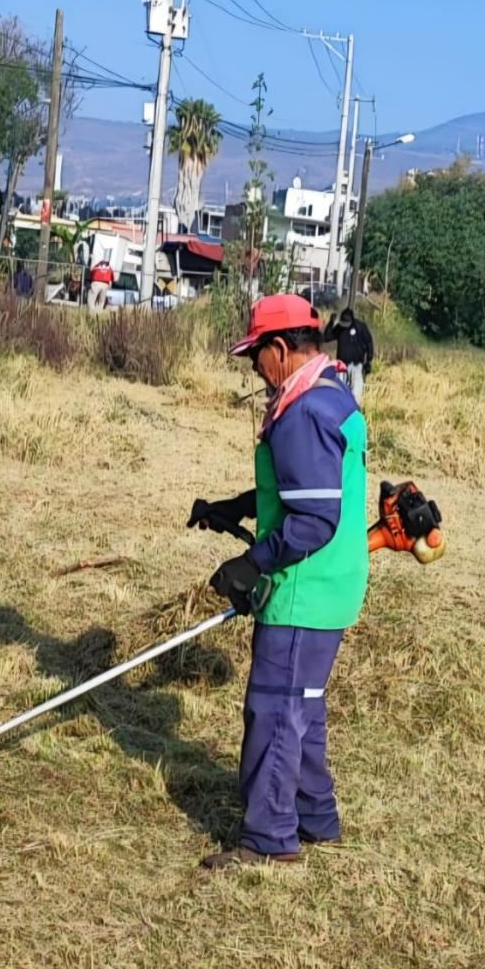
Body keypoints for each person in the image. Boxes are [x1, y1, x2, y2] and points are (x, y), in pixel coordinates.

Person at [188, 293, 369, 870]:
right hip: (335, 582)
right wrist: (238, 506)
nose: (254, 368)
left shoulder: (302, 413)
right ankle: (316, 816)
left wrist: (253, 563)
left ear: (281, 348)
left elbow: (313, 518)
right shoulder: (330, 394)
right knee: (303, 703)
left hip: (302, 590)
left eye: (255, 356)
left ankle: (268, 838)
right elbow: (302, 486)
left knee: (274, 707)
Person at [323, 307, 375, 403]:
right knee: (340, 391)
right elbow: (327, 337)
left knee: (356, 392)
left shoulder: (360, 327)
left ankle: (354, 409)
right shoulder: (340, 327)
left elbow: (369, 343)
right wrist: (331, 323)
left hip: (356, 366)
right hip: (342, 366)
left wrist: (368, 361)